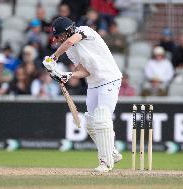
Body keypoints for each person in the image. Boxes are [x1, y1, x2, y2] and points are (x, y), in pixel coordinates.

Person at [42, 17, 123, 172]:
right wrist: (67, 75)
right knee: (91, 123)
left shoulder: (84, 31)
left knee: (102, 117)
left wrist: (53, 58)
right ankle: (112, 152)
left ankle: (106, 162)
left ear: (67, 31)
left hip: (110, 78)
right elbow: (84, 71)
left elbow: (69, 42)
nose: (57, 39)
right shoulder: (71, 50)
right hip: (93, 83)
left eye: (59, 36)